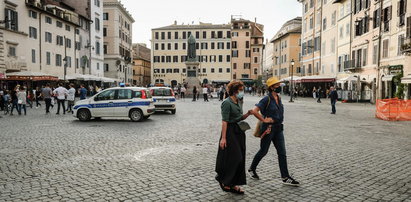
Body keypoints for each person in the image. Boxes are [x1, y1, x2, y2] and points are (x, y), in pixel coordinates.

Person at [248, 77, 300, 186]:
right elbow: (254, 111)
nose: (279, 87)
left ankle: (285, 177)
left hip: (278, 128)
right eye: (277, 85)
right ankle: (251, 169)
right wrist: (263, 119)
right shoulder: (266, 99)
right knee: (263, 151)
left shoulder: (279, 98)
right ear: (271, 87)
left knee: (282, 153)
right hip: (268, 129)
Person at [215, 80, 253, 194]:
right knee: (236, 157)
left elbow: (239, 117)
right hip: (230, 131)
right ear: (235, 91)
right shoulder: (227, 103)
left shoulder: (239, 101)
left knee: (240, 158)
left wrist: (247, 114)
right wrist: (223, 138)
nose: (243, 92)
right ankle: (224, 180)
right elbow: (225, 121)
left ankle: (233, 184)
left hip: (239, 131)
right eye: (241, 90)